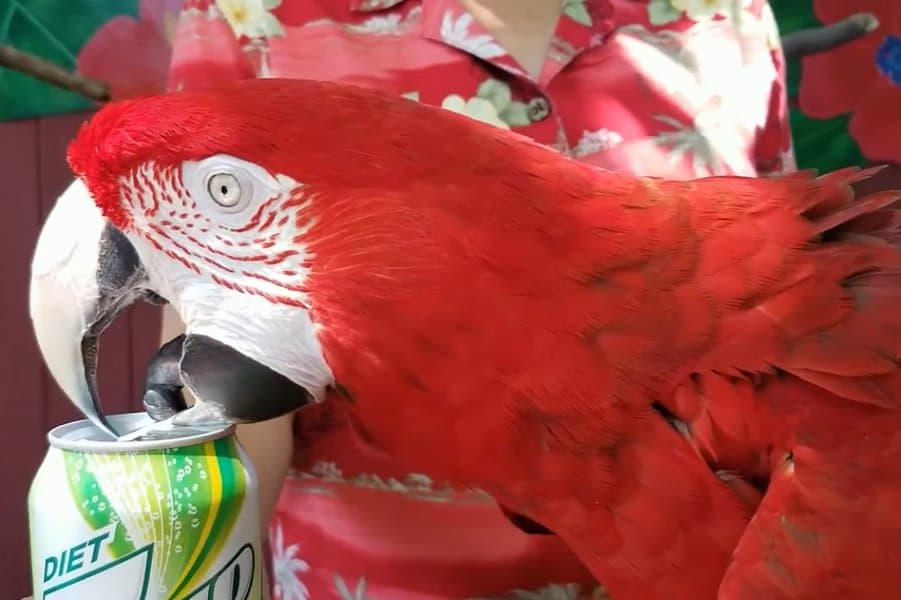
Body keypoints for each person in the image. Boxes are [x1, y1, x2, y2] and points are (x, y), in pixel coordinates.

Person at [159, 0, 795, 598]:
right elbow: (224, 404)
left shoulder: (722, 15)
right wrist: (189, 571)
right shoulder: (253, 19)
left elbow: (786, 317)